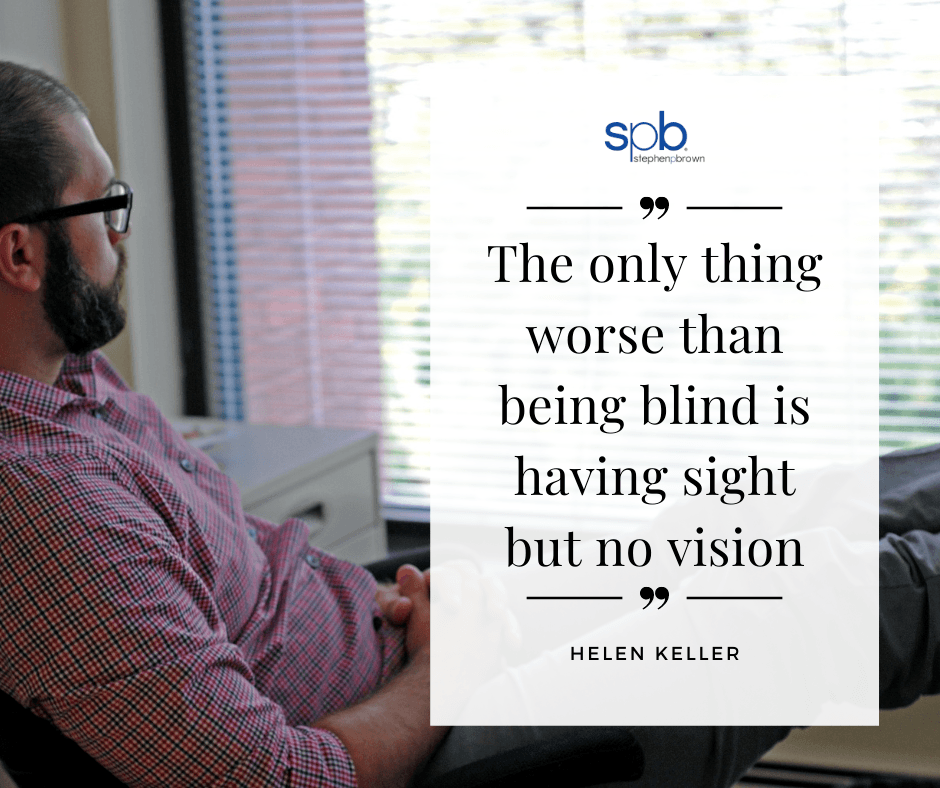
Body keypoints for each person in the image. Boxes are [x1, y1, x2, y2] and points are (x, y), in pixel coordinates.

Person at [0, 59, 794, 787]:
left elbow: (248, 589)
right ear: (21, 256)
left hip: (416, 650)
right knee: (802, 596)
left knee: (752, 535)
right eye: (103, 205)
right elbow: (279, 779)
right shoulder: (43, 506)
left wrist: (402, 604)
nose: (120, 232)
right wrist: (448, 667)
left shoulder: (74, 379)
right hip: (431, 737)